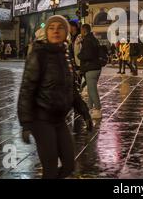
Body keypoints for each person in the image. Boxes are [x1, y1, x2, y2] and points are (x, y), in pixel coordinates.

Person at [18, 15, 92, 179]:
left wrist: (85, 112)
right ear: (46, 32)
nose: (56, 31)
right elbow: (27, 89)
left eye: (60, 27)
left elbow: (71, 90)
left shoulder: (65, 54)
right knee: (50, 168)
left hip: (59, 120)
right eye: (51, 28)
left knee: (69, 166)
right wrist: (26, 123)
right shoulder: (39, 54)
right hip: (41, 119)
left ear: (66, 32)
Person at [78, 24, 103, 120]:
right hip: (96, 67)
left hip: (91, 68)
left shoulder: (88, 41)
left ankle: (98, 110)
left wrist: (79, 55)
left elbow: (88, 55)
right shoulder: (93, 39)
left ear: (84, 30)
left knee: (92, 90)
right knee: (90, 89)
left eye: (81, 30)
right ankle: (89, 108)